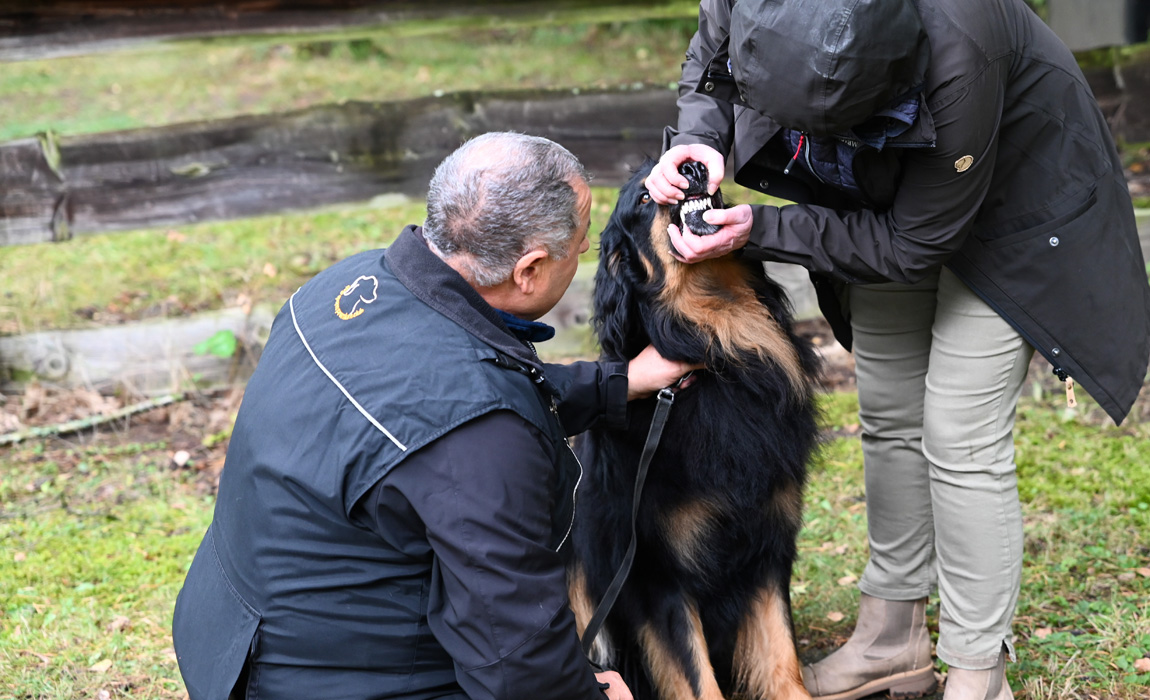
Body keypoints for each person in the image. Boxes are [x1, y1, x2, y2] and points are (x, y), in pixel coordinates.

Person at [645, 1, 1150, 699]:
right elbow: (712, 57)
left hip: (1012, 212)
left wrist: (758, 228)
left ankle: (978, 672)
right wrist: (699, 139)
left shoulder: (962, 46)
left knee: (959, 435)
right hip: (880, 200)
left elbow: (914, 246)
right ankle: (891, 639)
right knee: (887, 412)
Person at [172, 132, 697, 700]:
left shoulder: (343, 290)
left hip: (236, 641)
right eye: (581, 246)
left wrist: (619, 382)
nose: (585, 254)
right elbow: (514, 657)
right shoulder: (477, 435)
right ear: (529, 269)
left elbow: (448, 398)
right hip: (337, 683)